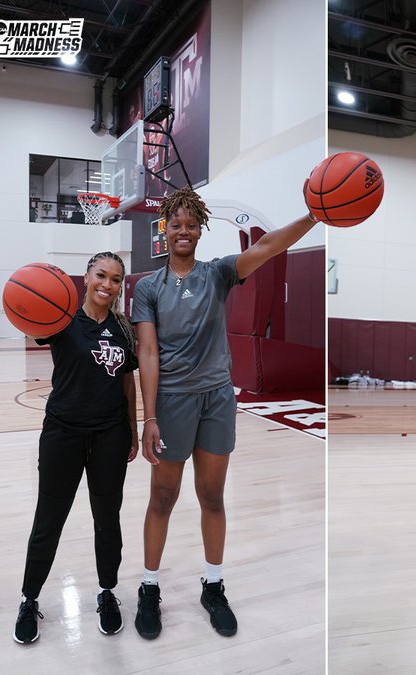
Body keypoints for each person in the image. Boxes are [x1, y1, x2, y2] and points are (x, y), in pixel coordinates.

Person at [131, 186, 319, 639]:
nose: (182, 231)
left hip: (216, 398)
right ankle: (149, 587)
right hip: (172, 402)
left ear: (200, 230)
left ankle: (213, 585)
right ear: (165, 229)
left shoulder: (217, 274)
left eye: (190, 225)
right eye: (175, 224)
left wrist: (315, 216)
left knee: (212, 497)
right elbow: (149, 352)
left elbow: (267, 246)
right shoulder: (148, 288)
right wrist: (149, 417)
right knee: (163, 497)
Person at [13, 252, 139, 644]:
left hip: (110, 434)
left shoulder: (123, 328)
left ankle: (107, 592)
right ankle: (29, 598)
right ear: (85, 277)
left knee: (108, 517)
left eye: (116, 279)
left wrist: (133, 430)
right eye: (101, 275)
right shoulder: (60, 318)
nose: (108, 284)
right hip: (62, 433)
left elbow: (127, 382)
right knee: (49, 519)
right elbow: (28, 316)